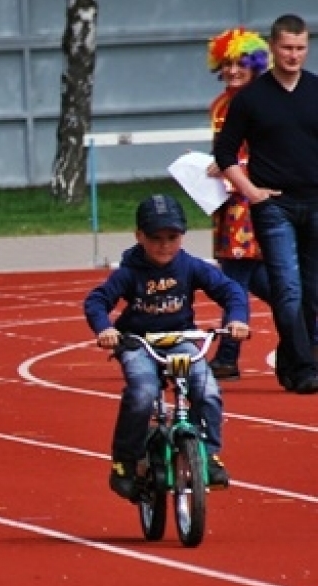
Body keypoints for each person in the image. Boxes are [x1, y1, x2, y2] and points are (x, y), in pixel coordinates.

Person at [84, 194, 249, 499]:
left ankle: (209, 455)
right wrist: (105, 329)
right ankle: (125, 461)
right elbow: (97, 300)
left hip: (181, 339)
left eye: (172, 237)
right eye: (155, 238)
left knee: (206, 390)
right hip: (138, 342)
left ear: (182, 236)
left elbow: (230, 290)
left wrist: (237, 319)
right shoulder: (129, 272)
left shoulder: (190, 266)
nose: (164, 245)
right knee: (143, 393)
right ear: (139, 237)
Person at [214, 14, 318, 394]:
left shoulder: (315, 90)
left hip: (315, 201)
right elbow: (224, 151)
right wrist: (251, 190)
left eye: (301, 48)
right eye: (287, 48)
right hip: (274, 205)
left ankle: (292, 362)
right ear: (273, 48)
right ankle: (305, 367)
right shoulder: (252, 99)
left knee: (311, 290)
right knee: (286, 287)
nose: (294, 55)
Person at [204, 27, 272, 380]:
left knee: (234, 283)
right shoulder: (219, 104)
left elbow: (270, 150)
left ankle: (228, 355)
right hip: (226, 207)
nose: (232, 70)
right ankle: (311, 331)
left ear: (255, 65)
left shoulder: (261, 100)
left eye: (241, 63)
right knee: (262, 281)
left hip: (249, 204)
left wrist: (236, 168)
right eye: (227, 63)